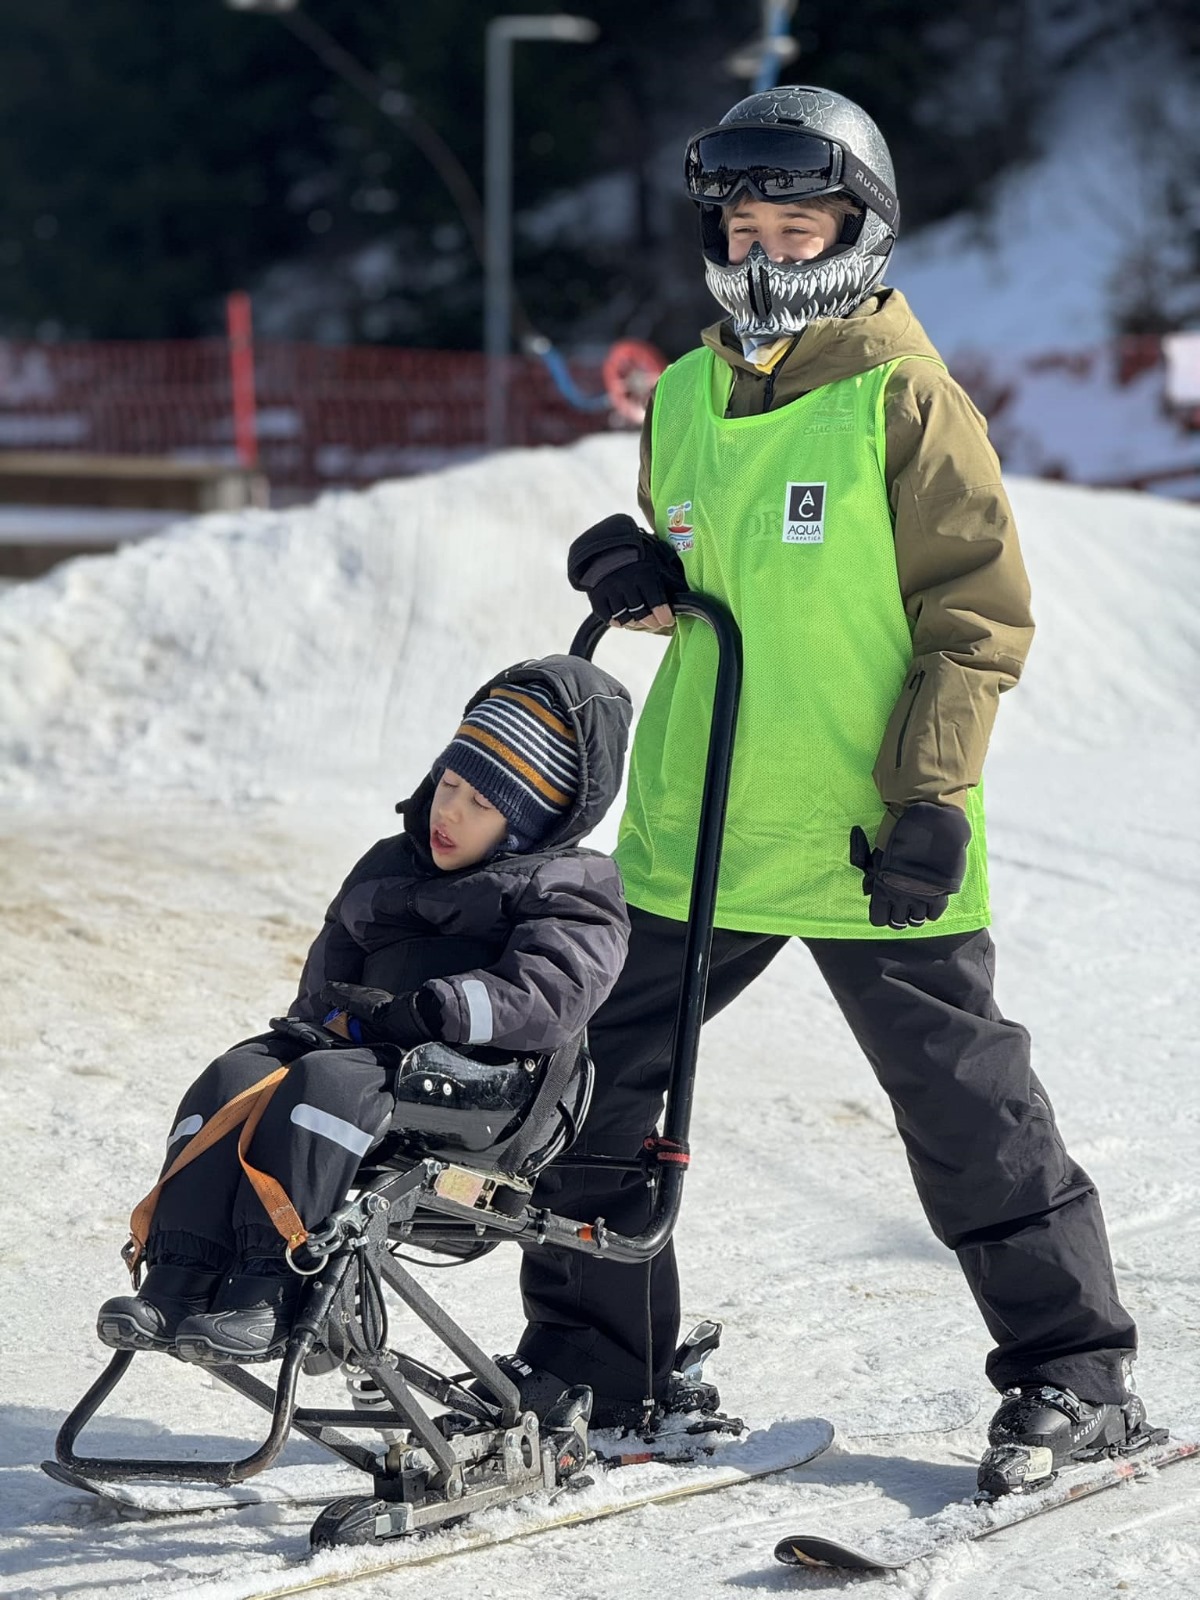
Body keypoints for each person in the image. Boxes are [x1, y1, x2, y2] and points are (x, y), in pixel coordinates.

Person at [507, 86, 1146, 1493]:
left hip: (870, 830)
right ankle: (608, 1368)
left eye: (800, 227)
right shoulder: (683, 390)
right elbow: (720, 587)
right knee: (592, 1087)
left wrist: (931, 796)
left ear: (859, 231)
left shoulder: (908, 399)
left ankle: (1073, 1376)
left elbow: (975, 619)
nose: (769, 254)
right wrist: (646, 579)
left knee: (967, 1115)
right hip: (702, 821)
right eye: (746, 227)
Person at [96, 655, 631, 1365]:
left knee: (327, 1087)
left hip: (488, 1081)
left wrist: (435, 1011)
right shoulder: (391, 861)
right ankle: (178, 1276)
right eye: (449, 783)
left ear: (528, 827)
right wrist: (322, 1023)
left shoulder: (571, 885)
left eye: (481, 804)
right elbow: (332, 964)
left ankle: (271, 1284)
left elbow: (551, 995)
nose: (449, 812)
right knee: (235, 1075)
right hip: (376, 1050)